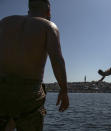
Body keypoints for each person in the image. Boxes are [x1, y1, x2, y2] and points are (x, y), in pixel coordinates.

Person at [0, 0, 69, 130]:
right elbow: (57, 59)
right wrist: (64, 90)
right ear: (48, 11)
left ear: (29, 8)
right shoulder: (48, 26)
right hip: (29, 92)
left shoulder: (4, 22)